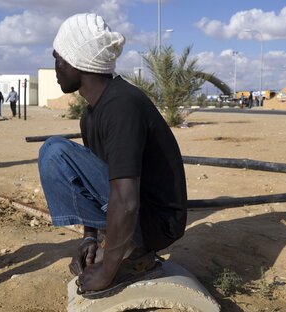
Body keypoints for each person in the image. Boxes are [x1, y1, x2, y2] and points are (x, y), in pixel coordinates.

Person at [38, 13, 187, 299]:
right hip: (140, 213)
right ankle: (127, 247)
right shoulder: (92, 114)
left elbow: (127, 198)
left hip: (157, 223)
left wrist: (108, 269)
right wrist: (91, 237)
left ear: (76, 62)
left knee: (54, 151)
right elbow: (100, 179)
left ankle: (136, 255)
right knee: (59, 153)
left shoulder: (122, 105)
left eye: (58, 58)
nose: (55, 67)